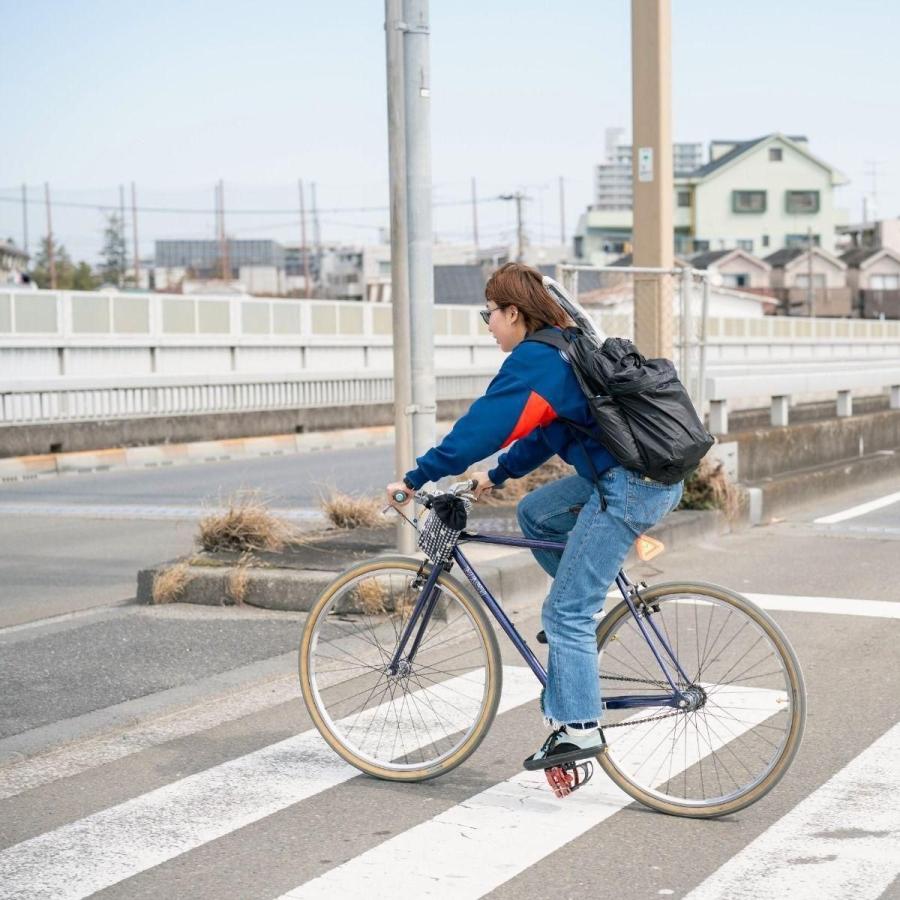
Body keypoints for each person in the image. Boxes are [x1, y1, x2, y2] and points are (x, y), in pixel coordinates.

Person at [385, 262, 683, 771]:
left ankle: (579, 728)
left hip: (628, 487)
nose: (488, 324)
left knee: (564, 613)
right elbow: (547, 431)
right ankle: (582, 605)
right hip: (644, 476)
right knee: (537, 514)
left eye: (489, 313)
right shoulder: (567, 344)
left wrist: (417, 477)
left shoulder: (536, 361)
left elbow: (482, 428)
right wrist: (498, 476)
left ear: (513, 312)